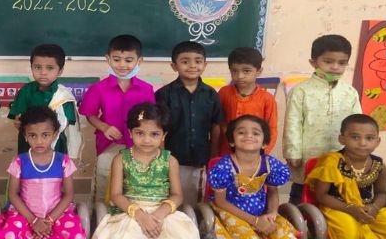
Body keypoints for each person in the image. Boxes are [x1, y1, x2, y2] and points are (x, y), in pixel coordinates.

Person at [93, 102, 199, 239]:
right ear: (130, 133)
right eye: (140, 133)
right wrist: (141, 216)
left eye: (154, 134)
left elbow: (177, 195)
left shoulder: (170, 161)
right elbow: (116, 195)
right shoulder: (120, 159)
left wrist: (158, 215)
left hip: (162, 213)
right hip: (130, 213)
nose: (147, 140)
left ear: (164, 135)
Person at [305, 114, 386, 239]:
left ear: (377, 141)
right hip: (338, 209)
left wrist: (374, 208)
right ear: (342, 139)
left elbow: (382, 193)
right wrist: (349, 208)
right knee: (350, 234)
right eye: (355, 137)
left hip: (368, 209)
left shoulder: (378, 165)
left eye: (369, 138)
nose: (362, 143)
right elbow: (321, 195)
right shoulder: (331, 162)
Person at [0, 107, 86, 239]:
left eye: (45, 135)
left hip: (57, 214)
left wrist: (49, 220)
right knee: (8, 234)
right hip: (25, 214)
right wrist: (34, 221)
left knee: (74, 235)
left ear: (55, 134)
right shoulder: (19, 161)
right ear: (25, 136)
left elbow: (69, 194)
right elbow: (13, 194)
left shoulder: (64, 161)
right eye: (32, 135)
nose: (39, 141)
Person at [283, 34, 361, 204]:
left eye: (342, 63)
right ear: (313, 62)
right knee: (301, 193)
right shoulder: (301, 91)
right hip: (308, 154)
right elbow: (293, 124)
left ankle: (327, 219)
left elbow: (358, 125)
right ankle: (296, 216)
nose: (335, 67)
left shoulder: (350, 93)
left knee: (335, 191)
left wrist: (357, 150)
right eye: (328, 61)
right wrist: (292, 152)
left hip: (340, 154)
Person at [80, 34, 156, 204]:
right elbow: (90, 115)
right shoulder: (98, 88)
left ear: (139, 61)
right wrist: (104, 127)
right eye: (116, 59)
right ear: (108, 59)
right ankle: (99, 214)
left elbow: (152, 119)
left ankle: (127, 214)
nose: (122, 65)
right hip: (109, 144)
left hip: (139, 145)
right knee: (104, 181)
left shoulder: (146, 89)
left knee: (133, 185)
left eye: (128, 60)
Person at [156, 41, 224, 205]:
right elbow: (159, 127)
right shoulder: (164, 94)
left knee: (197, 199)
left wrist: (213, 154)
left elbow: (216, 125)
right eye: (185, 61)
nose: (192, 66)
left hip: (201, 157)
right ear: (174, 66)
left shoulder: (211, 94)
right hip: (172, 156)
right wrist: (162, 156)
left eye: (198, 61)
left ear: (205, 65)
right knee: (172, 196)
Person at [208, 115, 297, 239]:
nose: (249, 136)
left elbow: (272, 192)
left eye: (255, 133)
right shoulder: (224, 167)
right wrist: (255, 221)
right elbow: (220, 202)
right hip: (229, 214)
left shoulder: (270, 164)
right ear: (232, 141)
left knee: (285, 235)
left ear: (264, 143)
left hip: (261, 213)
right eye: (241, 132)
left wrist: (272, 213)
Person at [8, 44, 80, 159]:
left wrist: (46, 134)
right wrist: (19, 123)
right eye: (37, 67)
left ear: (60, 71)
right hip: (28, 144)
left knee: (56, 169)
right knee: (28, 168)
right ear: (31, 67)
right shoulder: (25, 91)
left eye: (50, 68)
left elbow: (65, 124)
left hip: (56, 145)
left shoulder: (64, 96)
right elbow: (18, 119)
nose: (43, 72)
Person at [218, 47, 278, 156]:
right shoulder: (224, 93)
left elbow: (272, 130)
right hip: (225, 154)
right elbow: (219, 122)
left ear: (259, 71)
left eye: (246, 71)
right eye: (234, 71)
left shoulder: (267, 99)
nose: (240, 76)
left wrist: (262, 154)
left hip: (254, 155)